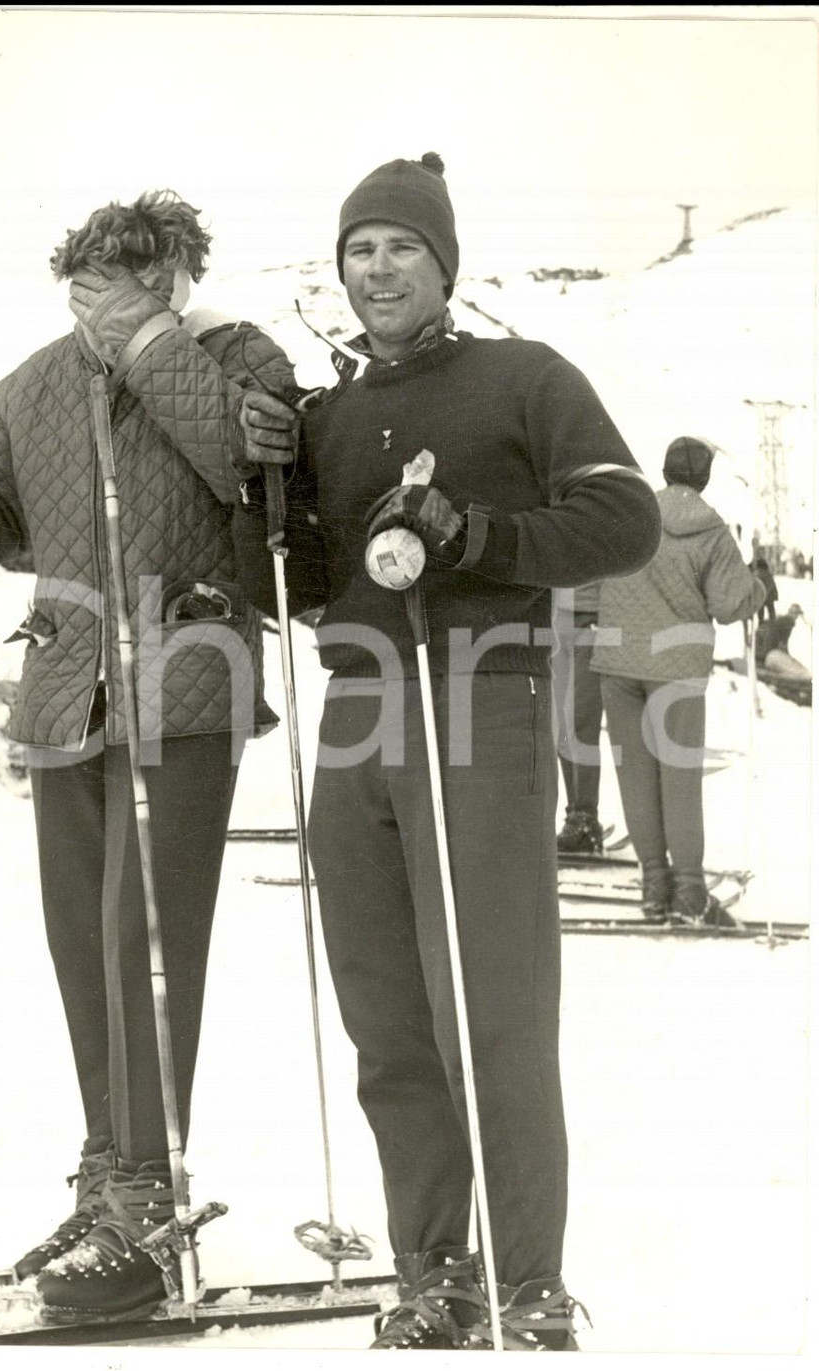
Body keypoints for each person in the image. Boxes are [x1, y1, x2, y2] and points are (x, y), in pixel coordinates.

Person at [230, 152, 661, 1350]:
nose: (378, 270)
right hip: (358, 709)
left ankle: (528, 1282)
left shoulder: (524, 377)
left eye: (401, 247)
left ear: (444, 264)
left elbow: (622, 517)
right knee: (387, 1017)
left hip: (480, 696)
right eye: (359, 251)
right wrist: (263, 489)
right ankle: (433, 1273)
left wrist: (473, 534)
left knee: (492, 1008)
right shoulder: (324, 415)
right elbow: (291, 585)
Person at [0, 190, 295, 1324]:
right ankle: (109, 1177)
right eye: (101, 279)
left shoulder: (239, 358)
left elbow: (247, 475)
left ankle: (149, 1196)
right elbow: (2, 523)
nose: (121, 297)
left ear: (183, 278)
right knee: (80, 945)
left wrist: (150, 346)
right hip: (66, 690)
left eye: (151, 277)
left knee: (145, 943)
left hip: (186, 683)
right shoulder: (32, 385)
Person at [590, 436, 765, 925]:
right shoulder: (711, 530)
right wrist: (757, 587)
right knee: (679, 779)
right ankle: (688, 890)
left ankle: (654, 884)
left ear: (664, 471)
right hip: (676, 671)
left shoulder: (633, 517)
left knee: (635, 777)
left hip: (618, 664)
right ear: (704, 478)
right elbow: (730, 604)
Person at [552, 582, 606, 854]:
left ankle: (585, 815)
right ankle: (575, 815)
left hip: (592, 619)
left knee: (582, 720)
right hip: (556, 617)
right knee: (561, 725)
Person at [755, 603, 810, 679]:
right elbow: (783, 643)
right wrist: (787, 656)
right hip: (769, 655)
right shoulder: (788, 621)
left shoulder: (777, 619)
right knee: (802, 673)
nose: (796, 617)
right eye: (796, 615)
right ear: (796, 614)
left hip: (758, 655)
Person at [751, 557, 778, 623]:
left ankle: (761, 625)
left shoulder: (755, 574)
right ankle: (773, 624)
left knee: (761, 613)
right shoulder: (768, 574)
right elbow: (771, 585)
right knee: (771, 612)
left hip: (761, 596)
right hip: (769, 596)